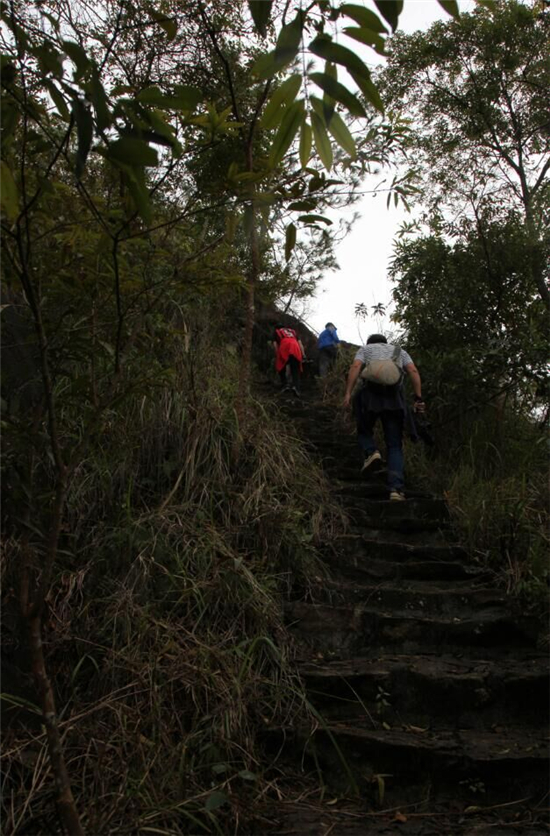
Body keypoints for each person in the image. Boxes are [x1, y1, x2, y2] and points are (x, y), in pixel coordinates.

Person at [343, 334, 425, 501]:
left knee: (364, 430)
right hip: (394, 400)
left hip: (370, 398)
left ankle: (371, 451)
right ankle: (396, 489)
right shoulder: (399, 351)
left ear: (370, 342)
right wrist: (418, 398)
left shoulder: (366, 349)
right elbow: (413, 371)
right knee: (394, 445)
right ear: (385, 342)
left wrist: (348, 393)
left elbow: (356, 366)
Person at [272, 323, 306, 396]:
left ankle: (285, 385)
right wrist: (303, 355)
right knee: (295, 369)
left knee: (281, 367)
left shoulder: (277, 331)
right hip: (295, 346)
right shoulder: (293, 331)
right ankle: (296, 387)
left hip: (284, 346)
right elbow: (300, 344)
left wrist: (277, 354)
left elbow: (275, 345)